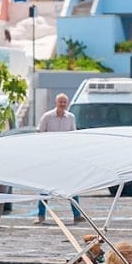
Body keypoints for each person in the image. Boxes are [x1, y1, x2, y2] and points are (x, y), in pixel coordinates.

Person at [36, 93, 84, 224]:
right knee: (44, 187)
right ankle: (40, 216)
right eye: (60, 102)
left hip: (65, 157)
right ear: (56, 103)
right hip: (49, 157)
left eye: (64, 102)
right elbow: (39, 134)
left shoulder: (71, 117)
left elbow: (73, 136)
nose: (62, 104)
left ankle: (77, 215)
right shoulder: (47, 116)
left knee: (72, 186)